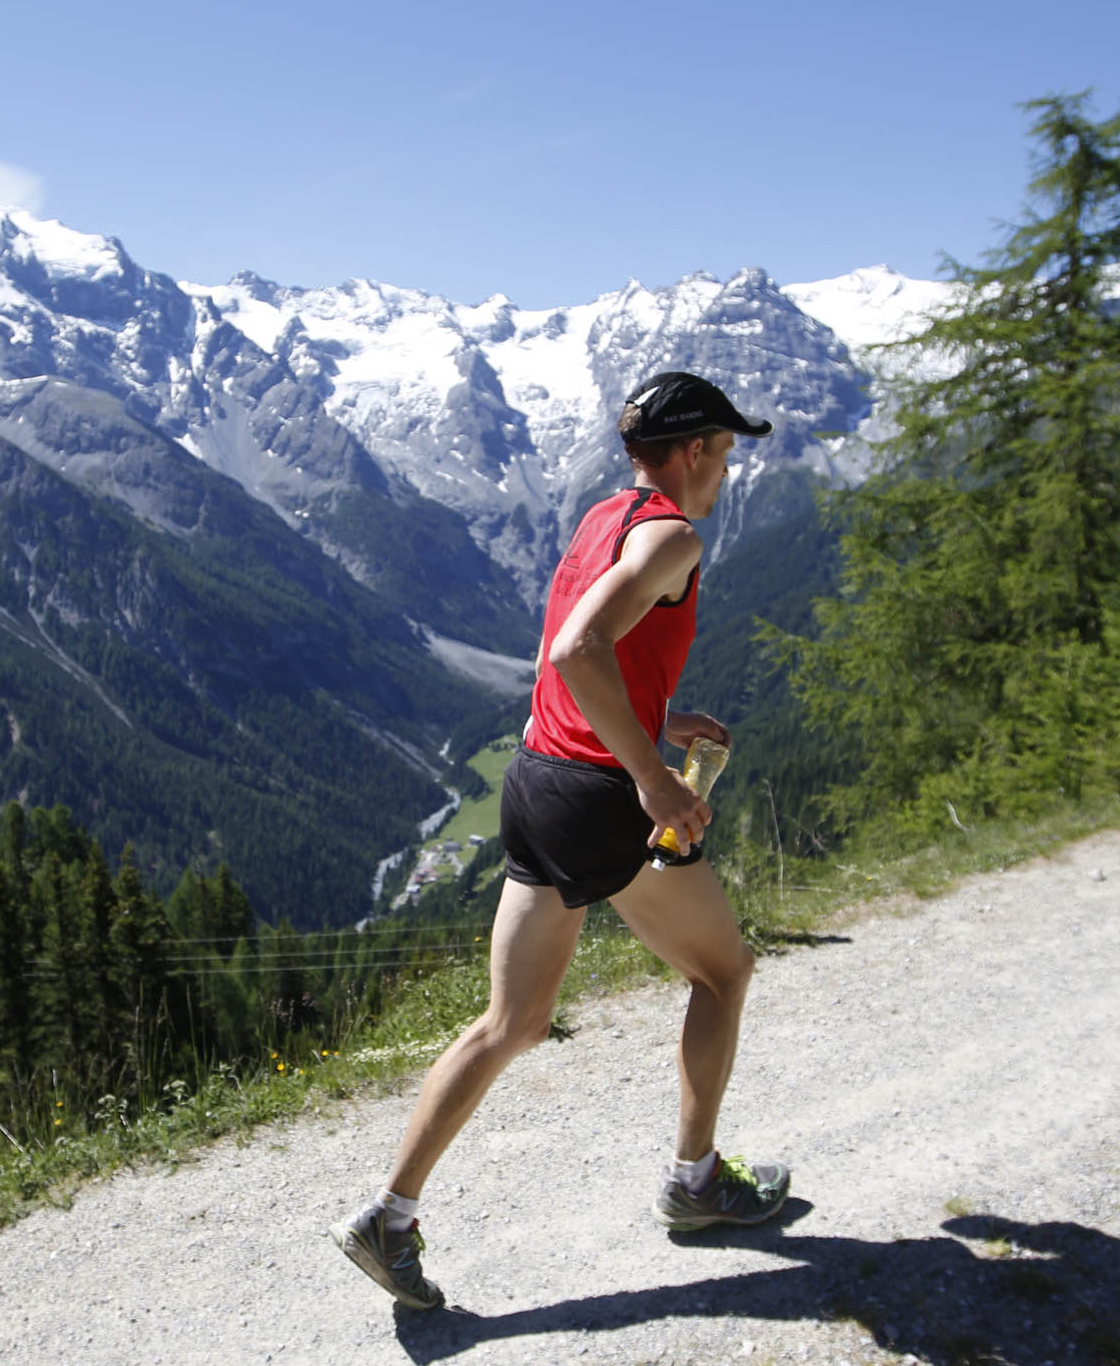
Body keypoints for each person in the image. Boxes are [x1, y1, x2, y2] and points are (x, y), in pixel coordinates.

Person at [334, 370, 788, 1309]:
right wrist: (654, 776)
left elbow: (592, 653)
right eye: (727, 452)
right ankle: (695, 1182)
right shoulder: (673, 532)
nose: (729, 472)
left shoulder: (605, 516)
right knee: (723, 972)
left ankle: (389, 1214)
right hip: (600, 797)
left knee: (513, 1022)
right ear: (695, 449)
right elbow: (577, 651)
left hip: (537, 779)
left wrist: (660, 719)